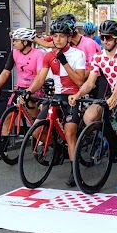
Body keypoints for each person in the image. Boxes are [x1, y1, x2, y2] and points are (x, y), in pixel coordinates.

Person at [25, 20, 86, 187]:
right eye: (55, 36)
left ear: (68, 38)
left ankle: (75, 171)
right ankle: (58, 149)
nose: (58, 40)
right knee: (37, 132)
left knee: (70, 133)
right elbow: (40, 78)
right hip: (57, 96)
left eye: (62, 36)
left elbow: (80, 80)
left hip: (73, 96)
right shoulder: (48, 56)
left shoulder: (77, 54)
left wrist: (64, 61)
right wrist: (29, 91)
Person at [68, 20, 117, 131]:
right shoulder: (98, 57)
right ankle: (108, 140)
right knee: (89, 117)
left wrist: (114, 96)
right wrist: (78, 95)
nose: (105, 41)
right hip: (114, 95)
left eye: (108, 37)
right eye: (102, 37)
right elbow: (90, 83)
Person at [0, 28, 44, 160]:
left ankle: (40, 140)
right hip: (19, 87)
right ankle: (3, 150)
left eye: (16, 41)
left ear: (25, 42)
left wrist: (30, 90)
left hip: (34, 88)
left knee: (34, 117)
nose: (13, 43)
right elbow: (6, 71)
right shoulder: (14, 53)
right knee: (7, 116)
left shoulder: (38, 54)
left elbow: (40, 76)